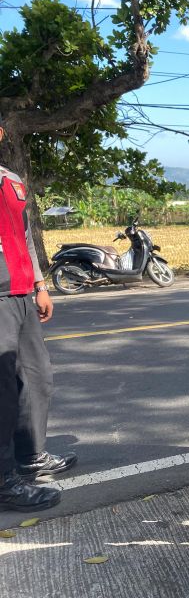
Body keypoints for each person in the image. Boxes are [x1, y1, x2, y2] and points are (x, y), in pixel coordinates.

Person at [0, 116, 77, 512]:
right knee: (2, 390)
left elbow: (25, 235)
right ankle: (4, 482)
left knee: (36, 378)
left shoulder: (12, 179)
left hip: (20, 292)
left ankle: (31, 457)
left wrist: (40, 285)